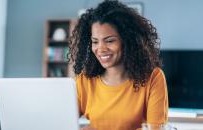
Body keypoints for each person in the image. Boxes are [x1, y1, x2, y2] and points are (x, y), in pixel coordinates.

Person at [68, 0, 168, 130]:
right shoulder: (84, 81)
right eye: (95, 42)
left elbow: (155, 129)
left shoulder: (153, 78)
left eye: (109, 41)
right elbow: (62, 122)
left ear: (128, 41)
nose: (101, 49)